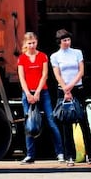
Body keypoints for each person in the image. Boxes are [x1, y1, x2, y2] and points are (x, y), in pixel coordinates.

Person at [17, 32, 65, 164]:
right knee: (29, 122)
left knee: (51, 120)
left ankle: (60, 153)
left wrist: (37, 93)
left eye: (33, 43)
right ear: (25, 44)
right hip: (27, 93)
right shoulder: (21, 59)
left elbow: (45, 76)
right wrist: (28, 94)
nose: (32, 45)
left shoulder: (43, 56)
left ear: (36, 42)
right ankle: (30, 155)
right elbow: (21, 77)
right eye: (29, 43)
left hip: (42, 93)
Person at [50, 29, 91, 166]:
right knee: (66, 123)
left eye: (68, 40)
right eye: (64, 40)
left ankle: (90, 154)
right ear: (59, 42)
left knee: (82, 120)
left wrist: (71, 86)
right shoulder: (55, 56)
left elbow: (81, 71)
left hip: (77, 88)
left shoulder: (77, 53)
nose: (67, 42)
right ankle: (70, 156)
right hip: (62, 90)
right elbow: (57, 74)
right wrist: (65, 88)